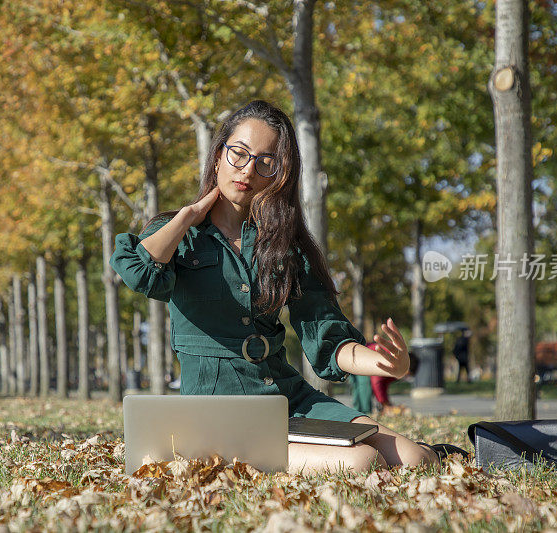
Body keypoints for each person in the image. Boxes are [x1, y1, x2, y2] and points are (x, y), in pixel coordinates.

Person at [111, 100, 437, 474]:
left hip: (287, 397)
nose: (249, 169)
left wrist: (382, 364)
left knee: (418, 458)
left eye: (266, 161)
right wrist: (188, 215)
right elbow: (140, 272)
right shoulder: (179, 236)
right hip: (221, 410)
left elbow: (325, 336)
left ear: (278, 175)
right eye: (239, 154)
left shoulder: (283, 245)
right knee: (363, 461)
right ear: (218, 156)